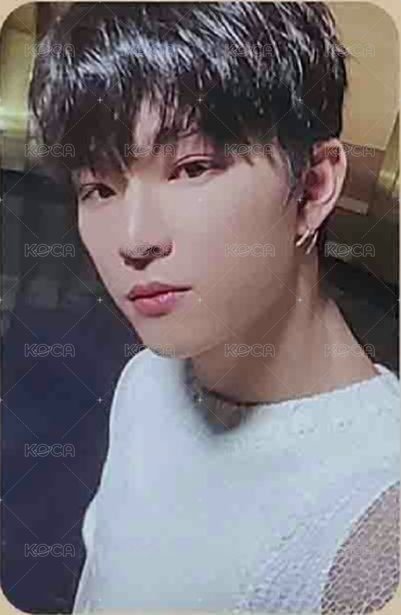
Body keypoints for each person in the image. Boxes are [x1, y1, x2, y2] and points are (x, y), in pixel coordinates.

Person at [29, 2, 400, 612]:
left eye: (192, 168)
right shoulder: (146, 376)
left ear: (312, 188)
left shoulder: (374, 526)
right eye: (98, 188)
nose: (134, 239)